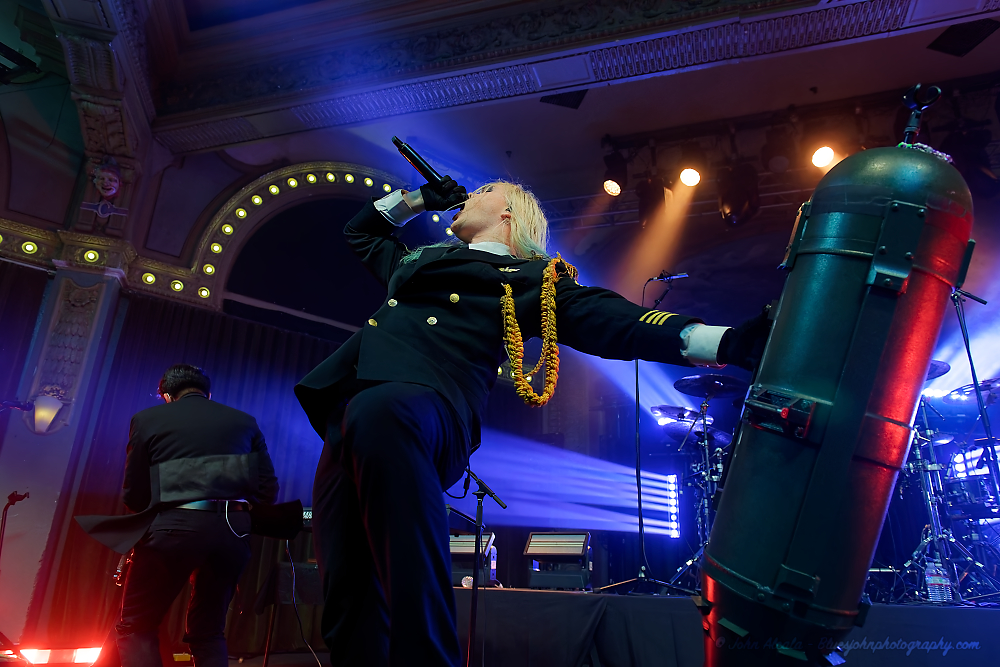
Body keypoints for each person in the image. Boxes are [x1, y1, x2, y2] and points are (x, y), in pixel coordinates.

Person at [294, 178, 769, 666]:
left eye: (484, 191)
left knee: (406, 561)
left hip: (420, 401)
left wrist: (726, 342)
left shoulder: (529, 278)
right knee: (345, 579)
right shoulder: (417, 262)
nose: (468, 196)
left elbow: (613, 319)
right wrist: (415, 200)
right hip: (353, 410)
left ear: (507, 214)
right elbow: (361, 232)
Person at [81, 364, 279, 667]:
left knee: (137, 625)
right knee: (209, 632)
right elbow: (268, 490)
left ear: (167, 396)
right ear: (208, 393)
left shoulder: (147, 419)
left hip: (172, 527)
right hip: (231, 531)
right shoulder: (245, 422)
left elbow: (134, 493)